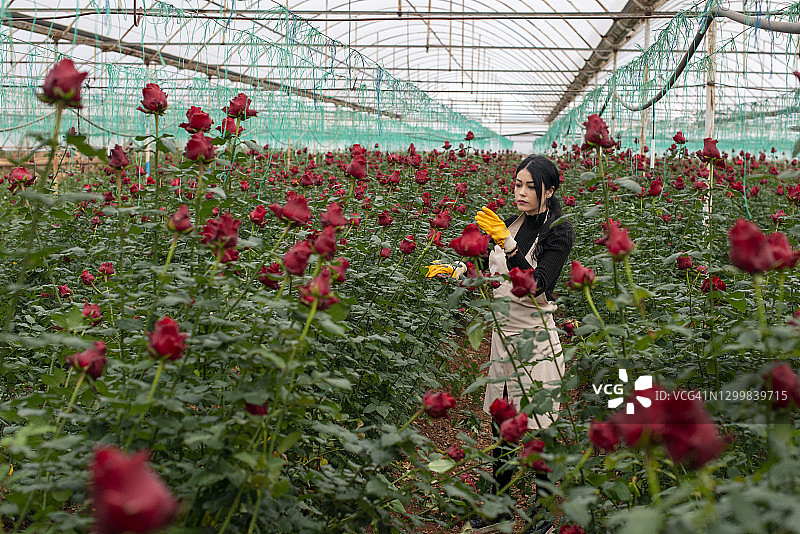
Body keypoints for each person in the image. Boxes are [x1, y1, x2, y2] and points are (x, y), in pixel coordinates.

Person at [454, 155, 573, 534]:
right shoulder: (509, 223)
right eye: (517, 184)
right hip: (503, 336)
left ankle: (542, 516)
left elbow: (539, 286)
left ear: (548, 191)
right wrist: (462, 272)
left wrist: (509, 246)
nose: (519, 192)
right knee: (501, 423)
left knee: (536, 428)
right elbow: (495, 277)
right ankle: (500, 508)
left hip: (535, 337)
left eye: (529, 187)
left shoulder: (558, 231)